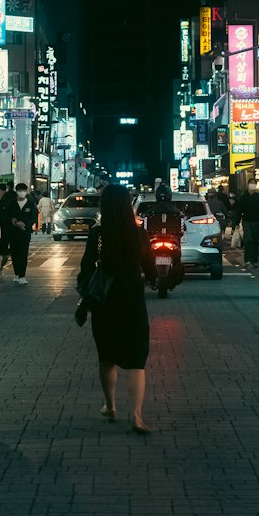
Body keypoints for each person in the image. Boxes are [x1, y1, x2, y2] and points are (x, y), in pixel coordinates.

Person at [76, 182, 156, 432]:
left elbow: (86, 270)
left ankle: (110, 406)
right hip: (132, 302)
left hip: (105, 304)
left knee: (107, 357)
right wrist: (151, 278)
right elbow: (151, 269)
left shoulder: (97, 235)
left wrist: (84, 292)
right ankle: (136, 416)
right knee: (136, 361)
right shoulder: (139, 235)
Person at [7, 182, 39, 285]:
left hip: (25, 233)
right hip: (13, 232)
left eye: (24, 191)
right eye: (20, 191)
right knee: (14, 253)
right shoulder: (12, 203)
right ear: (16, 192)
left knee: (23, 253)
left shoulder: (30, 204)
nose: (22, 193)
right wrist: (14, 222)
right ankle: (16, 274)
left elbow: (33, 218)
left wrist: (25, 224)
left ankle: (22, 275)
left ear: (26, 191)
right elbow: (7, 215)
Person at [234, 178, 259, 269]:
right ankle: (247, 260)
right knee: (248, 241)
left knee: (255, 241)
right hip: (247, 221)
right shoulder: (243, 197)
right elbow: (239, 210)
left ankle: (254, 260)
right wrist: (237, 222)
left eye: (254, 183)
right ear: (248, 184)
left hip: (257, 221)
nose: (252, 185)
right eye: (251, 183)